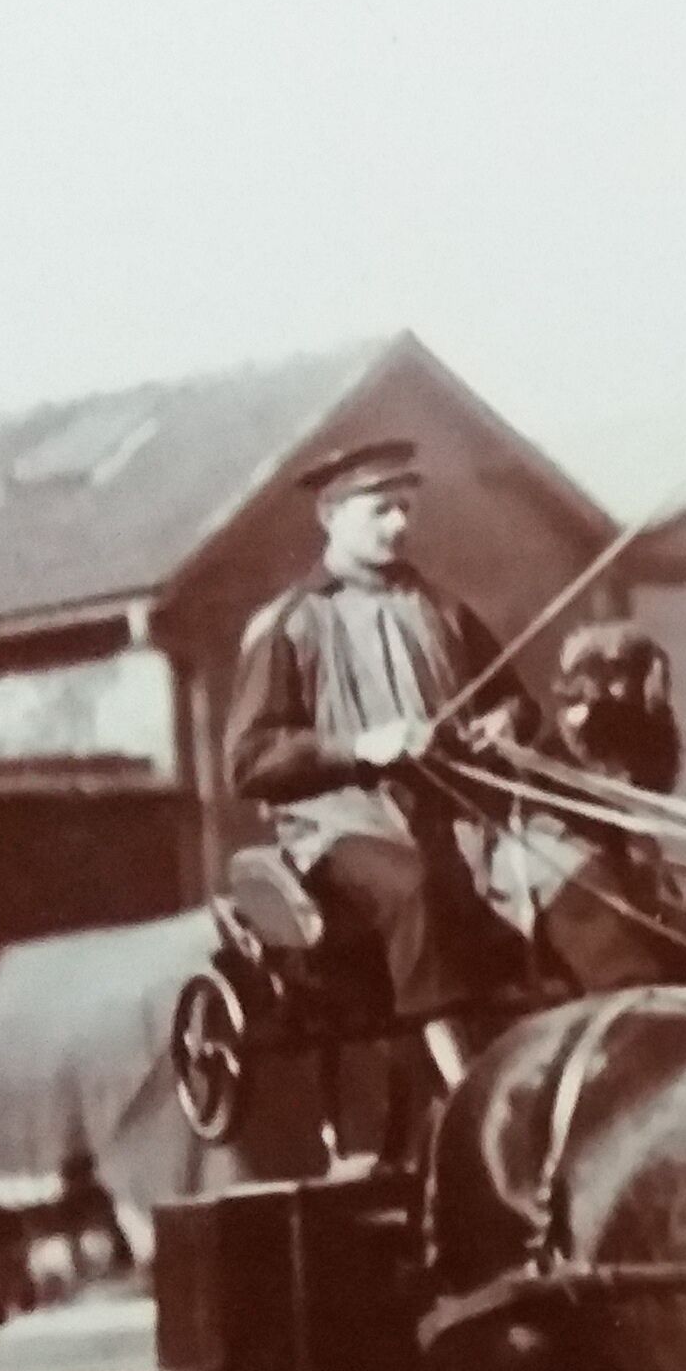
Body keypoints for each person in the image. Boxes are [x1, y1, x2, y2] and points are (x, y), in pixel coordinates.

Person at [220, 438, 529, 1087]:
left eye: (407, 509)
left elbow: (516, 704)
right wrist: (360, 748)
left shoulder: (441, 609)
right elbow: (249, 762)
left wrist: (506, 722)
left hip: (458, 820)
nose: (400, 525)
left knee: (561, 879)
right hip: (341, 831)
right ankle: (464, 1084)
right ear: (329, 516)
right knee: (412, 887)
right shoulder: (291, 624)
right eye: (381, 510)